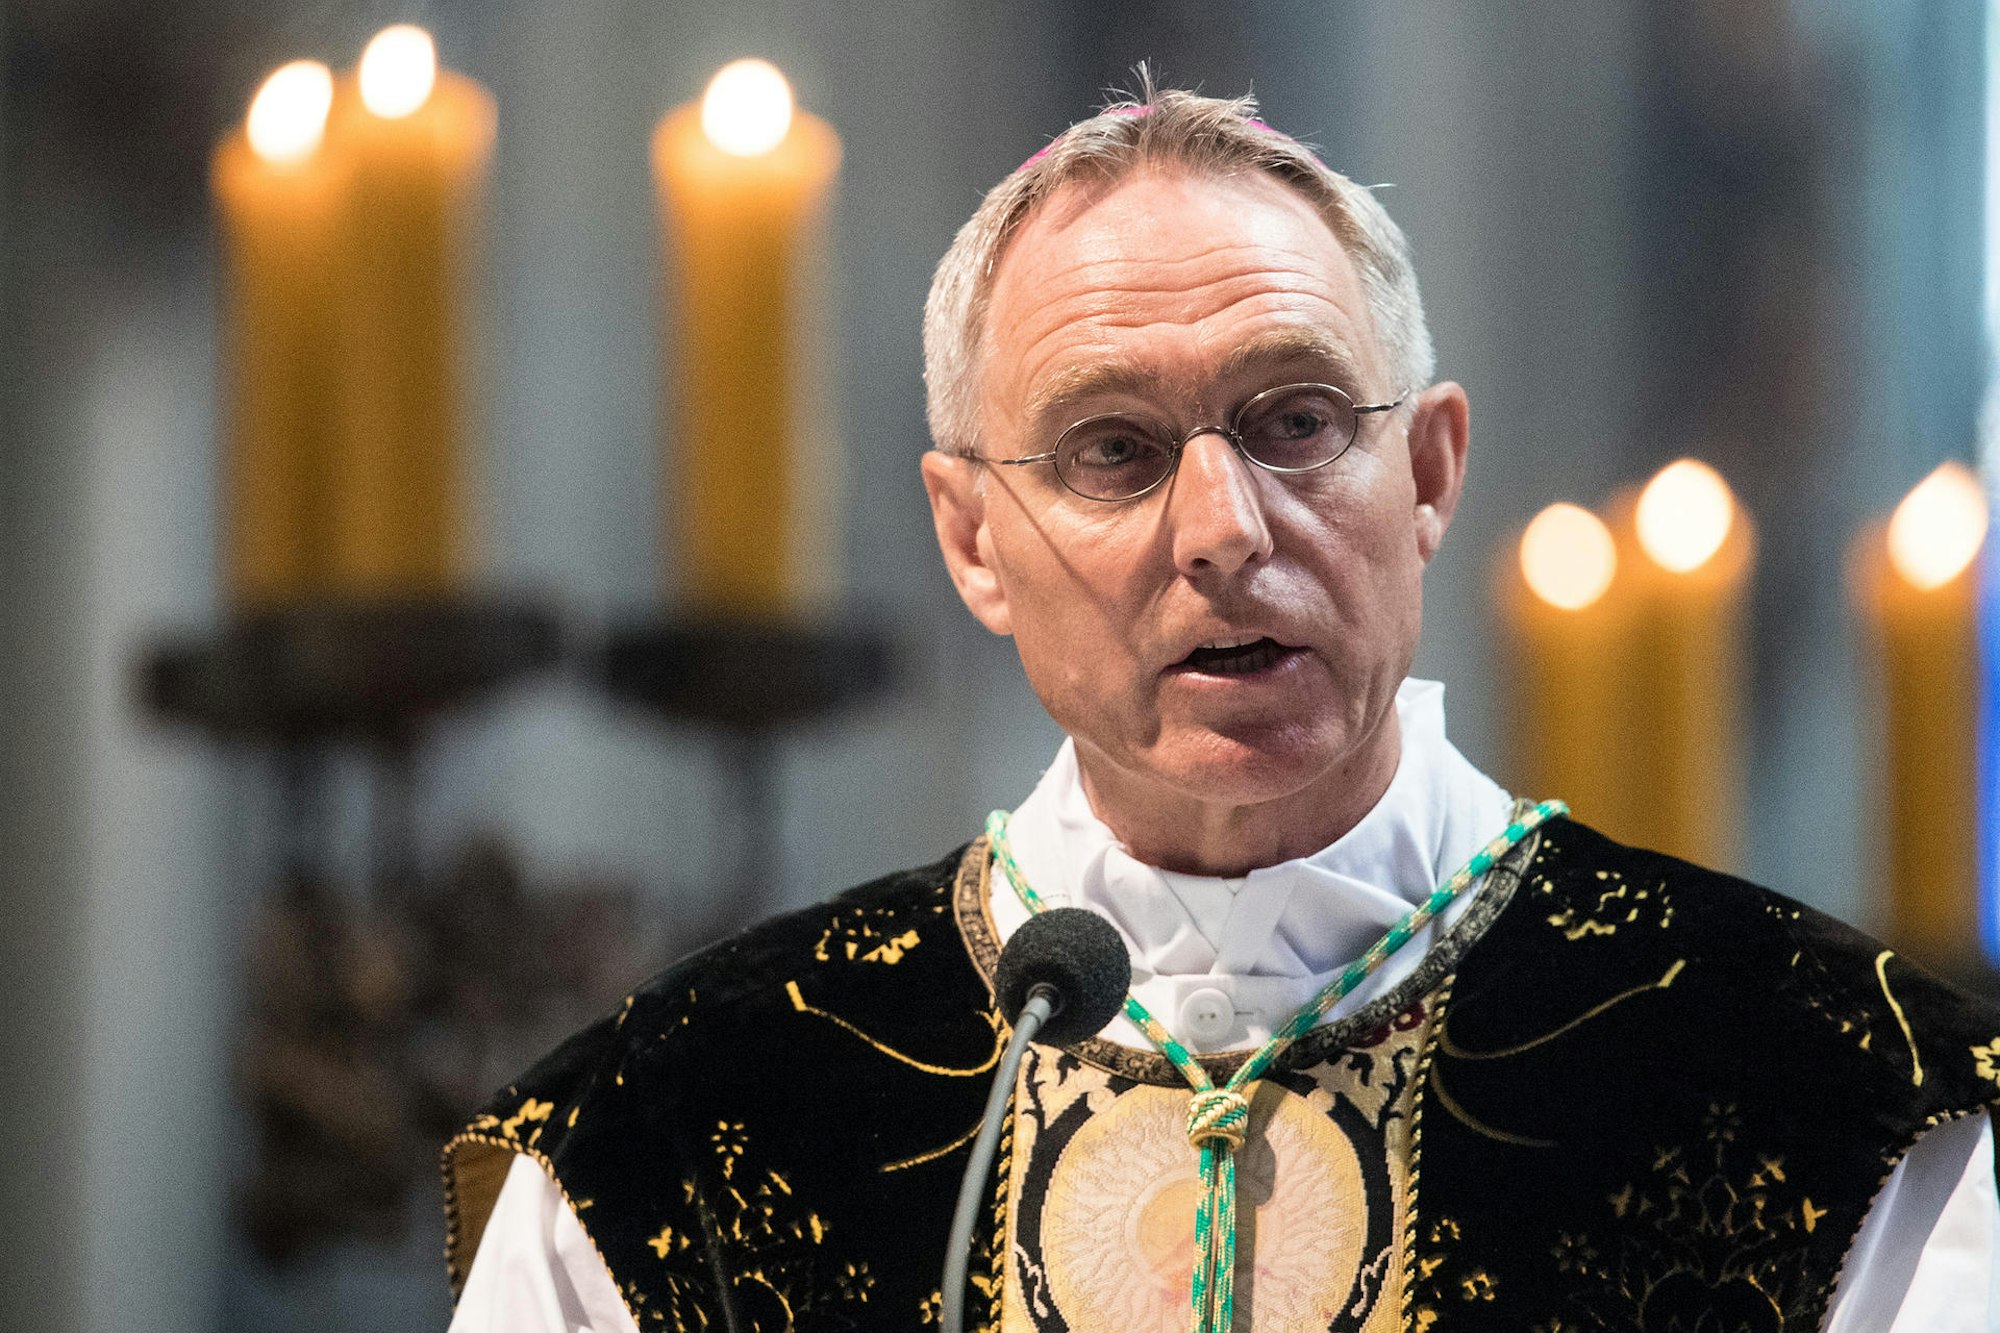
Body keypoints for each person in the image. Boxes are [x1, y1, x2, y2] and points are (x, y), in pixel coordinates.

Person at [442, 87, 2000, 1332]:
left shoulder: (1841, 1101)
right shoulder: (673, 1138)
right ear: (973, 539)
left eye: (1297, 421)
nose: (1222, 528)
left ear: (1430, 473)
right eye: (1113, 450)